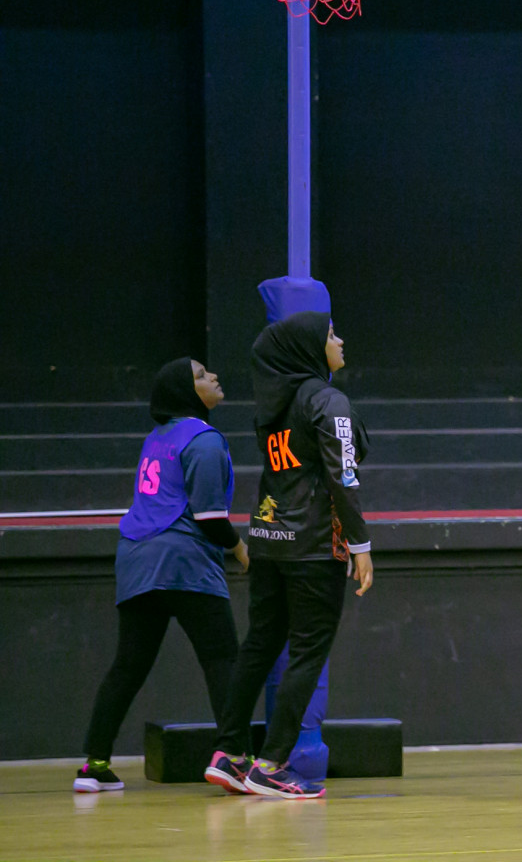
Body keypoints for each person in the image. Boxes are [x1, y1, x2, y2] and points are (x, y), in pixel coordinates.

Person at [204, 311, 373, 799]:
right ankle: (271, 765)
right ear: (309, 348)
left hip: (267, 538)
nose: (340, 340)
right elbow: (345, 475)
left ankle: (229, 754)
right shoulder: (327, 399)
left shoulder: (273, 405)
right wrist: (360, 544)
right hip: (313, 547)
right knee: (307, 652)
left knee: (259, 644)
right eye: (330, 334)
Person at [74, 358, 246, 793]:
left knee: (127, 666)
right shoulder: (204, 441)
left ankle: (94, 765)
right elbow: (209, 517)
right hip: (184, 561)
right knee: (223, 659)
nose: (214, 378)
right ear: (187, 393)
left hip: (135, 559)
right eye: (203, 376)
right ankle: (234, 758)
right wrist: (242, 549)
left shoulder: (156, 438)